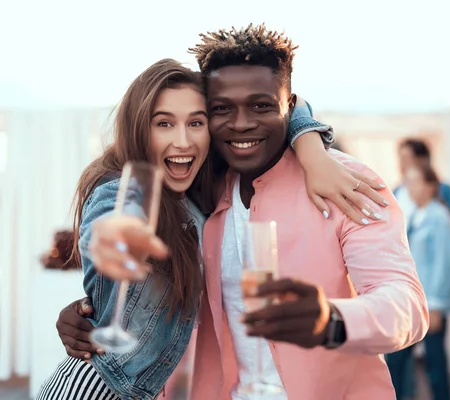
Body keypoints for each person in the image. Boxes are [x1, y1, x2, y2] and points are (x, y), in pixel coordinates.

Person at [39, 58, 386, 400]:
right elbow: (107, 223)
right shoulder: (118, 188)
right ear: (138, 129)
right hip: (96, 390)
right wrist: (107, 239)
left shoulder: (202, 191)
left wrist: (311, 147)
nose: (183, 141)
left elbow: (282, 105)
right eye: (163, 124)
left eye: (196, 122)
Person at [386, 164, 450, 400]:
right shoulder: (418, 214)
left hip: (430, 304)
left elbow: (445, 263)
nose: (410, 188)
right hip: (412, 303)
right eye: (407, 182)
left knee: (435, 365)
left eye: (415, 181)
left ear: (431, 187)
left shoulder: (438, 216)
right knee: (397, 358)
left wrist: (436, 305)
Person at [394, 139, 450, 244]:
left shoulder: (442, 190)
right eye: (400, 158)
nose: (401, 164)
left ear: (422, 160)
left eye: (406, 158)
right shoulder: (397, 192)